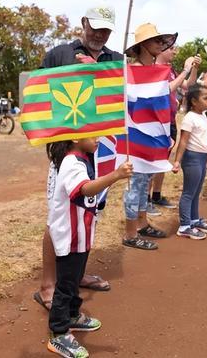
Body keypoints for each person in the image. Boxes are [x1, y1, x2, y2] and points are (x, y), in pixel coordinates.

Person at [34, 6, 122, 310]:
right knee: (58, 217)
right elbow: (38, 95)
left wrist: (100, 73)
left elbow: (127, 93)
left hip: (104, 150)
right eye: (95, 27)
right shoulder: (59, 55)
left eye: (106, 30)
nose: (99, 34)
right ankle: (48, 284)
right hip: (67, 152)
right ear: (83, 23)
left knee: (90, 213)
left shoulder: (116, 60)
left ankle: (76, 275)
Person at [45, 138, 132, 357]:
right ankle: (59, 333)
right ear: (75, 138)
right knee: (65, 285)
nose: (98, 141)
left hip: (81, 235)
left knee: (74, 279)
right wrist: (116, 175)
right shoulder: (71, 162)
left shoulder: (82, 159)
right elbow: (83, 190)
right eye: (94, 136)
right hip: (71, 236)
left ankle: (72, 315)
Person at [123, 23, 197, 249]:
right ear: (143, 45)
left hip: (153, 133)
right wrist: (185, 70)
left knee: (145, 180)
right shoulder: (132, 70)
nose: (161, 45)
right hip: (135, 136)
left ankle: (143, 224)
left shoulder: (153, 69)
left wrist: (164, 134)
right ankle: (129, 233)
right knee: (134, 184)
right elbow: (158, 95)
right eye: (157, 41)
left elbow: (161, 101)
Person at [148, 37, 200, 215]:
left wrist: (193, 69)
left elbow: (187, 85)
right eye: (171, 49)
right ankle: (145, 200)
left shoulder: (169, 69)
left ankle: (156, 195)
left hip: (169, 120)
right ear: (161, 50)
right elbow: (167, 89)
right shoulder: (154, 70)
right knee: (151, 163)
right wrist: (186, 69)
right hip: (157, 122)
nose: (175, 52)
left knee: (162, 161)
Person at [172, 84, 207, 239]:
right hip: (192, 158)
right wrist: (177, 161)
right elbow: (183, 141)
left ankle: (194, 219)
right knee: (189, 192)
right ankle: (184, 226)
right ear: (194, 101)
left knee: (196, 191)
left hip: (201, 157)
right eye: (205, 98)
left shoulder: (203, 115)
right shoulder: (189, 118)